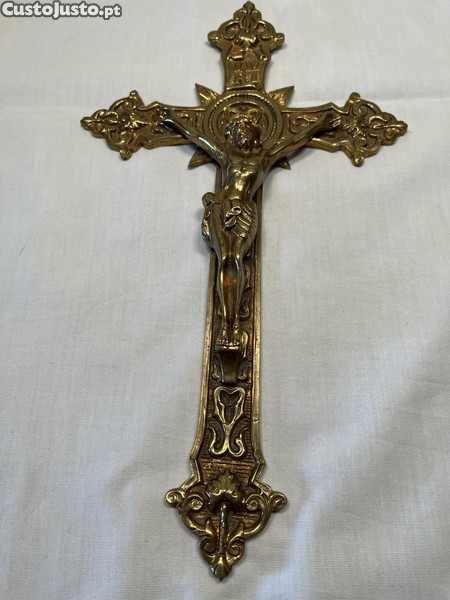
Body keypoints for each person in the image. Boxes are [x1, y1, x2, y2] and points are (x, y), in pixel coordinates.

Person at [156, 105, 339, 350]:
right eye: (235, 129)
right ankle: (227, 325)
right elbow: (198, 137)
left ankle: (233, 325)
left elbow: (295, 140)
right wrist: (174, 120)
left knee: (235, 259)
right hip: (221, 208)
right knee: (226, 258)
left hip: (243, 210)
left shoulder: (264, 157)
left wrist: (320, 124)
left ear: (254, 132)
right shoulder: (226, 155)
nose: (239, 132)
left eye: (244, 127)